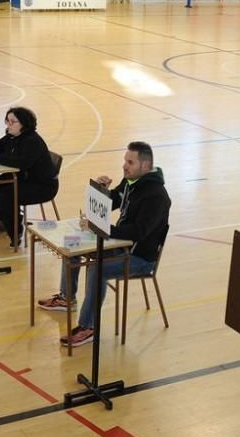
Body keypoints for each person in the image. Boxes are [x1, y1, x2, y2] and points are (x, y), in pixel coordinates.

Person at [39, 142, 170, 348]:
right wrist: (102, 191)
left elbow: (139, 232)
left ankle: (88, 327)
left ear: (145, 165)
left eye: (130, 162)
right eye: (124, 161)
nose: (124, 166)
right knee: (72, 244)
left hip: (140, 258)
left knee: (96, 267)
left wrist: (104, 230)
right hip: (120, 245)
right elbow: (111, 204)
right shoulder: (131, 182)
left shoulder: (157, 196)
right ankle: (67, 297)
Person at [0, 107, 59, 245]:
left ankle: (15, 231)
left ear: (24, 124)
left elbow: (21, 163)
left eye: (13, 121)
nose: (8, 124)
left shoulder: (32, 141)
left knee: (5, 196)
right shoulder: (13, 134)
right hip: (23, 178)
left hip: (42, 185)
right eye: (7, 120)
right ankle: (9, 221)